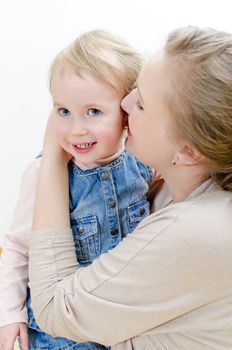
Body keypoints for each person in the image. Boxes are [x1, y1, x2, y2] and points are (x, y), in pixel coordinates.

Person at [29, 26, 232, 350]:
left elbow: (55, 309)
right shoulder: (168, 190)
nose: (124, 101)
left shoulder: (201, 230)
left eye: (142, 104)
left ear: (188, 151)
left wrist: (52, 153)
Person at [0, 30, 153, 350]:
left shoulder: (143, 164)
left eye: (93, 111)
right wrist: (8, 312)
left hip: (121, 328)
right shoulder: (43, 175)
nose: (75, 128)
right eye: (63, 111)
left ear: (127, 112)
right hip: (60, 337)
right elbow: (16, 248)